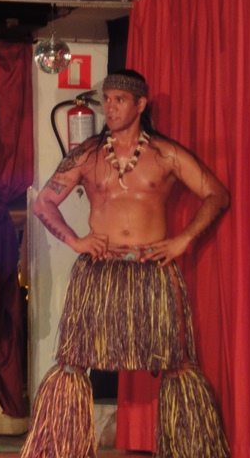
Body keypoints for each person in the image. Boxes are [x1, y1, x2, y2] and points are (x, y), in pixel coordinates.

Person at [22, 69, 230, 457]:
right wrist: (75, 240)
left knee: (176, 362)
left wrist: (184, 239)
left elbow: (216, 194)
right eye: (107, 99)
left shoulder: (165, 153)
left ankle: (188, 449)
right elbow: (43, 203)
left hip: (152, 272)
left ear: (141, 104)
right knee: (73, 362)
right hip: (99, 273)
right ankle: (59, 450)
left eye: (119, 100)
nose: (111, 107)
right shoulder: (87, 154)